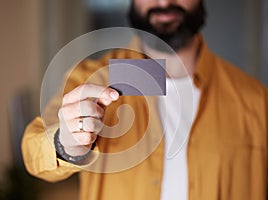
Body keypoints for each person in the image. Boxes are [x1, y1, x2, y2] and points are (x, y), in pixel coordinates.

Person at [21, 0, 268, 200]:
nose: (163, 2)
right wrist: (68, 143)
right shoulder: (90, 78)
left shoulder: (256, 99)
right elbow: (33, 149)